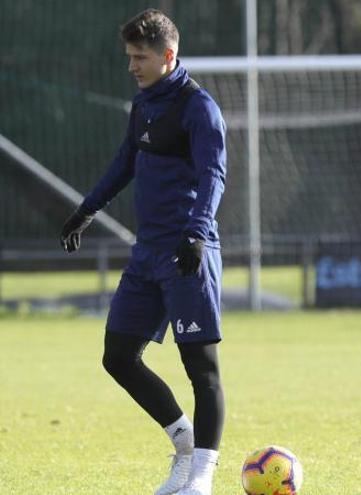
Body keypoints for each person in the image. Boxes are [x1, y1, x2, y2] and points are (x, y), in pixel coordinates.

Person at [60, 9, 227, 495]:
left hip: (185, 251)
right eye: (130, 56)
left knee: (201, 368)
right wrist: (87, 209)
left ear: (167, 56)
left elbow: (213, 174)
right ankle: (184, 446)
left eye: (140, 57)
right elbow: (125, 161)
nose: (132, 65)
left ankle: (201, 476)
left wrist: (196, 232)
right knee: (118, 356)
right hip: (146, 254)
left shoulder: (199, 107)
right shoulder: (144, 104)